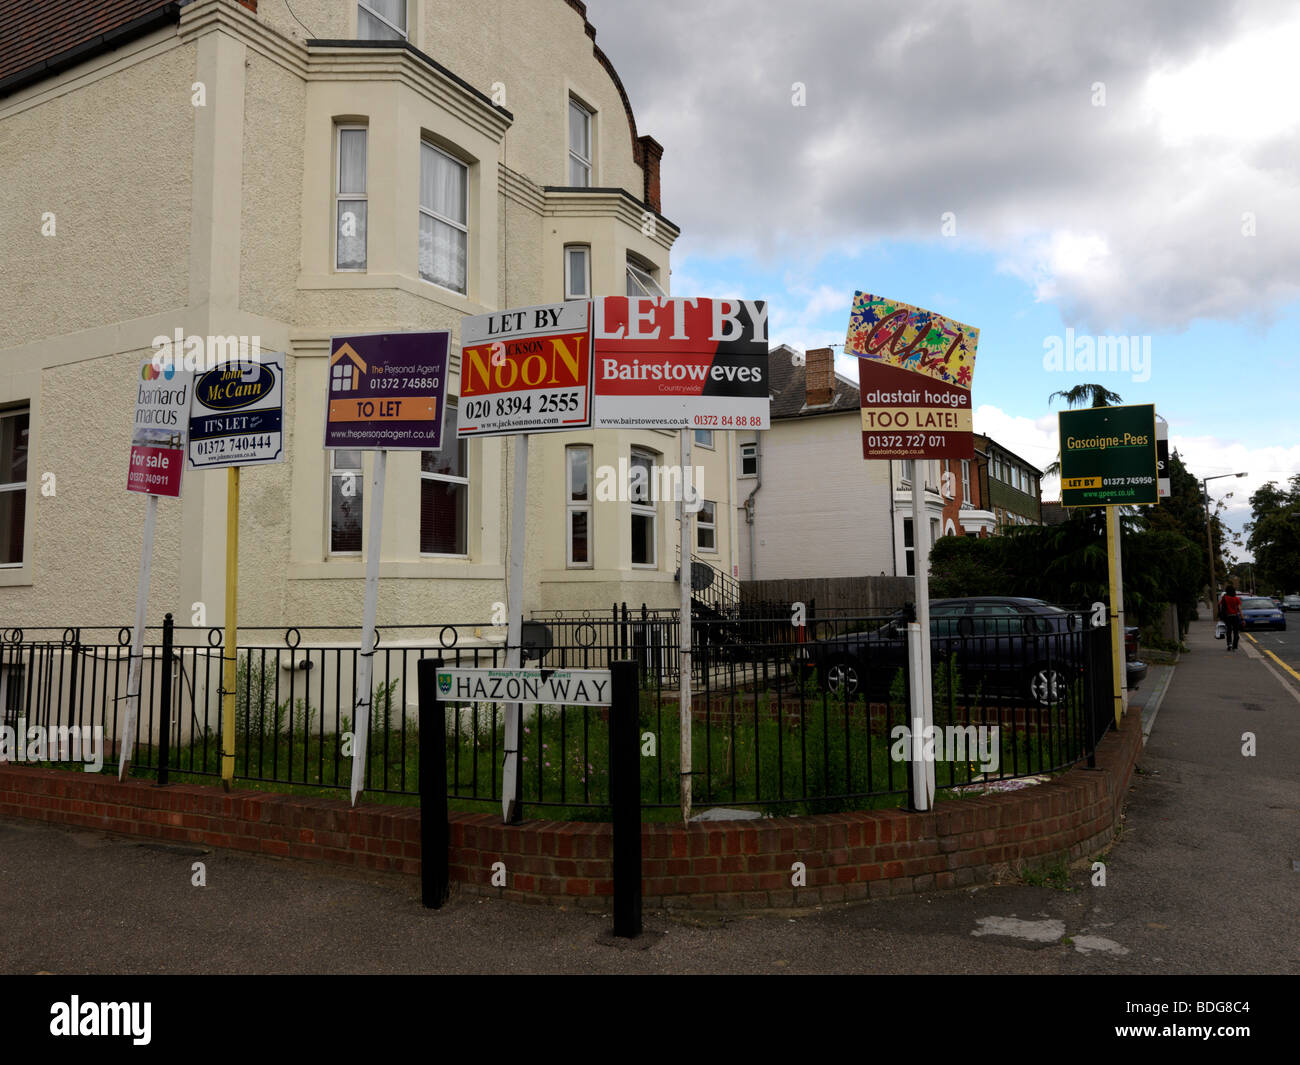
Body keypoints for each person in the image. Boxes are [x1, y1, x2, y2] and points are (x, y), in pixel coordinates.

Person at [1220, 584, 1243, 651]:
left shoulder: (1224, 598)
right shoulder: (1236, 599)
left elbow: (1221, 606)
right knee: (1236, 632)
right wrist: (1242, 618)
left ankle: (1229, 644)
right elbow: (1239, 609)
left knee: (1229, 631)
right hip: (1235, 616)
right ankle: (1235, 646)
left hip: (1227, 617)